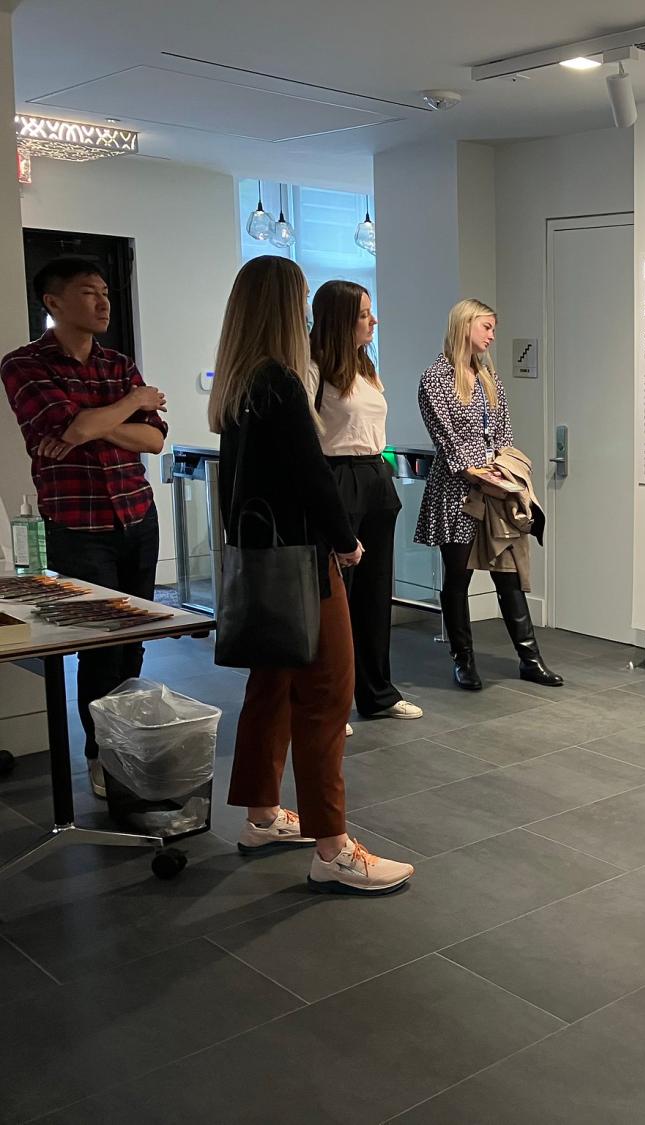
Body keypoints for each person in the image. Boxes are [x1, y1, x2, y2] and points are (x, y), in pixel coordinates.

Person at [211, 256, 413, 896]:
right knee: (327, 694)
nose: (305, 313)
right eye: (298, 300)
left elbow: (234, 483)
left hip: (264, 558)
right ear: (282, 307)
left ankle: (263, 814)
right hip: (303, 558)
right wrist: (344, 541)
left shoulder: (242, 381)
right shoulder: (279, 381)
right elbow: (311, 474)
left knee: (271, 686)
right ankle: (333, 848)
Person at [1, 257, 167, 799]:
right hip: (78, 522)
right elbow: (64, 426)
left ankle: (128, 743)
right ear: (52, 302)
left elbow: (154, 441)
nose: (103, 303)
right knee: (101, 644)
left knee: (137, 640)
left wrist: (91, 424)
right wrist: (133, 404)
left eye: (105, 293)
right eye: (89, 293)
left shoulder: (117, 361)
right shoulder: (24, 364)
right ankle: (101, 754)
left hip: (137, 515)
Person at [415, 298, 563, 690]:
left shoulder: (489, 378)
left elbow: (503, 435)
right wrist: (475, 471)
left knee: (509, 575)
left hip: (493, 488)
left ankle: (530, 659)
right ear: (465, 326)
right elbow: (446, 440)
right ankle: (463, 660)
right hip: (457, 493)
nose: (492, 336)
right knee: (458, 577)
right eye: (487, 328)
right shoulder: (436, 378)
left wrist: (499, 469)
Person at [308, 280, 422, 726]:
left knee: (375, 595)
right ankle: (331, 702)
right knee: (337, 600)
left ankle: (377, 693)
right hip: (337, 477)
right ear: (339, 319)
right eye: (363, 314)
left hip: (375, 474)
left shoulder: (365, 368)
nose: (373, 320)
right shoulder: (316, 369)